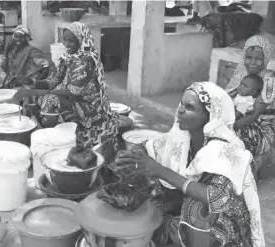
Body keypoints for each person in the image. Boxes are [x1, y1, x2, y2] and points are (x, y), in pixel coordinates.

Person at [116, 82, 264, 247]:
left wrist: (161, 171)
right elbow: (152, 145)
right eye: (181, 103)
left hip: (223, 224)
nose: (179, 109)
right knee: (140, 178)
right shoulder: (182, 136)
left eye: (189, 107)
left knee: (194, 208)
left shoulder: (225, 151)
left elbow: (216, 198)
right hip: (190, 215)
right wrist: (135, 155)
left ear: (210, 116)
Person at [11, 22, 119, 150]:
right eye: (64, 40)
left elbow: (72, 92)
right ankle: (41, 130)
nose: (66, 44)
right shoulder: (68, 57)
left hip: (90, 106)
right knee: (32, 94)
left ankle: (52, 144)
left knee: (50, 99)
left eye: (70, 41)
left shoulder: (87, 61)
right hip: (72, 101)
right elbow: (53, 81)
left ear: (81, 40)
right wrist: (31, 82)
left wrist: (34, 92)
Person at [226, 35, 275, 179]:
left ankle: (243, 173)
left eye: (258, 58)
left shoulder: (268, 84)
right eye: (249, 57)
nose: (253, 62)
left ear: (265, 58)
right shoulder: (241, 76)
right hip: (239, 119)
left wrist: (227, 127)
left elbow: (253, 116)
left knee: (238, 135)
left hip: (262, 130)